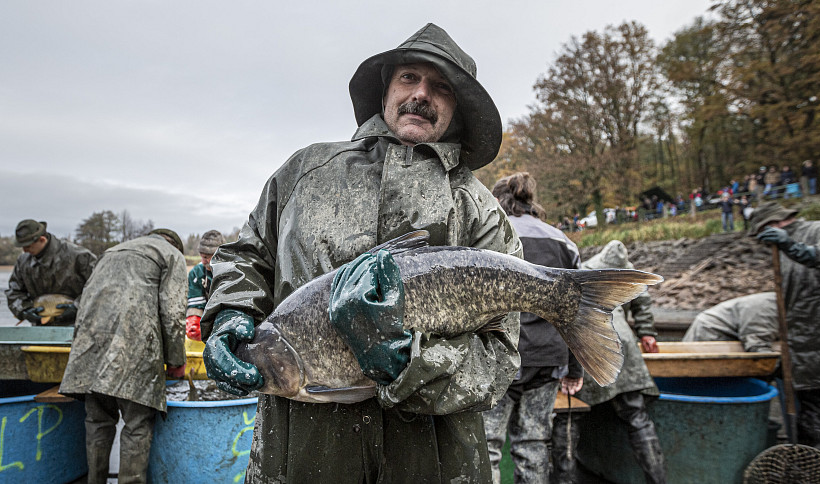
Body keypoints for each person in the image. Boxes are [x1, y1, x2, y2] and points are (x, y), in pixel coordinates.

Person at [199, 23, 522, 483]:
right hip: (298, 455)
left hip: (435, 462)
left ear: (459, 107)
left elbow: (499, 358)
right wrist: (231, 310)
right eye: (409, 77)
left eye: (441, 86)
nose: (422, 94)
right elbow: (246, 255)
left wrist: (410, 367)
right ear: (387, 89)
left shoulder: (482, 211)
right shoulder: (304, 171)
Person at [59, 229, 187, 484]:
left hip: (89, 350)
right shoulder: (171, 255)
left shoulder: (110, 253)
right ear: (174, 244)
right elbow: (173, 313)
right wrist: (175, 360)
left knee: (97, 421)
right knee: (136, 426)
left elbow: (82, 303)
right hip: (135, 350)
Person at [482, 172, 583, 484]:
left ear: (497, 201)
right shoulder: (562, 241)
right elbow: (577, 312)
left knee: (488, 445)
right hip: (548, 358)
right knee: (534, 444)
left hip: (500, 355)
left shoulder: (491, 235)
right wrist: (575, 369)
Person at [749, 202, 820, 479]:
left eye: (762, 233)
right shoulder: (780, 252)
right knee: (813, 429)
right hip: (808, 353)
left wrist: (795, 247)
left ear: (773, 224)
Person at [551, 241, 666, 484]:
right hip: (622, 344)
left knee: (569, 416)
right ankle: (658, 480)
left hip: (591, 344)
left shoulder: (584, 271)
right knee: (637, 416)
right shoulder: (624, 273)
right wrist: (646, 332)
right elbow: (643, 302)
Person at [5, 219, 96, 326]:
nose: (24, 251)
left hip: (82, 325)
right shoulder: (23, 261)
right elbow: (14, 292)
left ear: (42, 239)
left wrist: (77, 307)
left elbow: (100, 287)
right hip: (42, 327)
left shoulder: (79, 256)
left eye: (28, 246)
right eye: (22, 247)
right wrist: (24, 310)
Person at [682, 292, 777, 353]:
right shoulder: (768, 307)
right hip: (711, 332)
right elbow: (756, 344)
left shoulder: (781, 306)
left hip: (729, 333)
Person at [185, 229, 225, 341]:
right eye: (201, 256)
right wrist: (194, 322)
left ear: (220, 254)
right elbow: (195, 300)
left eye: (207, 257)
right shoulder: (197, 273)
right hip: (206, 319)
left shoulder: (233, 271)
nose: (203, 261)